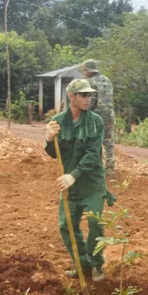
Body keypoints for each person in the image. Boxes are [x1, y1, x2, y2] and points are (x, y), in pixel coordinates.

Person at [44, 79, 108, 282]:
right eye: (83, 95)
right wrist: (48, 139)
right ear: (71, 96)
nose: (88, 99)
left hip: (92, 184)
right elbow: (55, 155)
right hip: (69, 185)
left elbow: (93, 154)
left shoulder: (96, 121)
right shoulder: (58, 121)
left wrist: (74, 175)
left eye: (89, 95)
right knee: (66, 225)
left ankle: (96, 264)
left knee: (94, 221)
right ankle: (82, 265)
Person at [82, 59, 116, 176]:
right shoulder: (108, 80)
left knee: (94, 141)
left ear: (89, 70)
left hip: (96, 117)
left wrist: (84, 115)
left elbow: (91, 101)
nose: (84, 72)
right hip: (110, 115)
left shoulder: (90, 82)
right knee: (109, 142)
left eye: (85, 70)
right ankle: (110, 169)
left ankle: (96, 167)